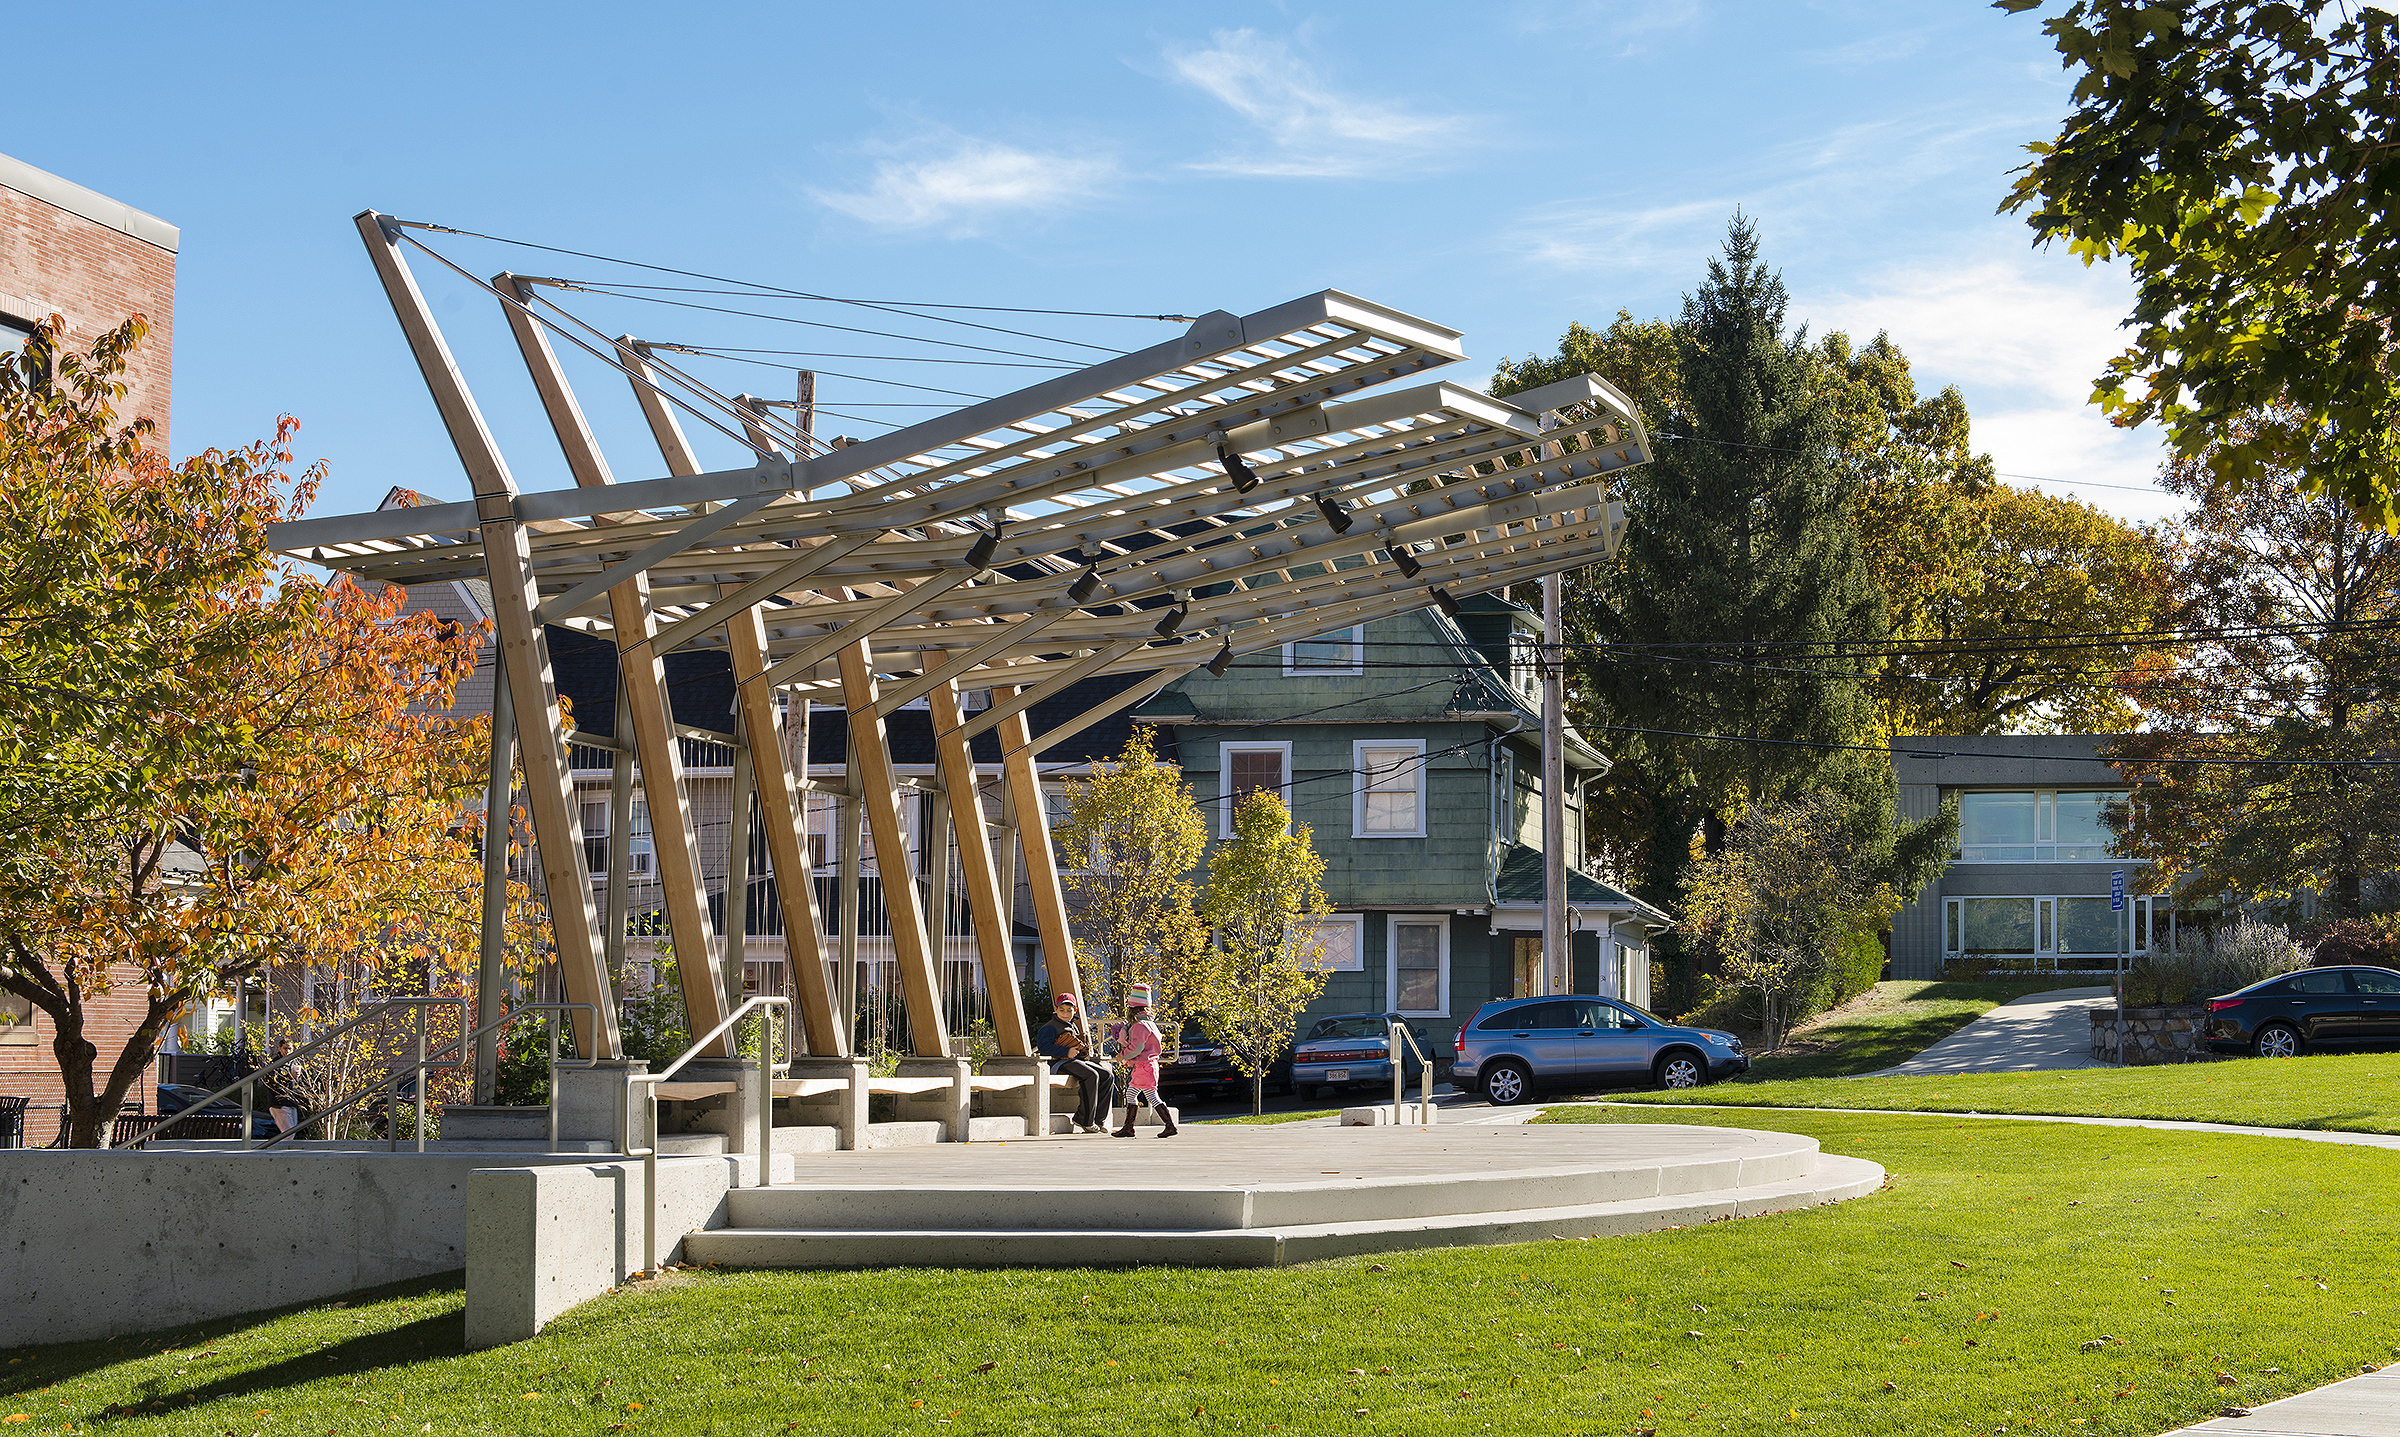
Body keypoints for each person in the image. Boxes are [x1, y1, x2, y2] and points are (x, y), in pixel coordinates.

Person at [1033, 993, 1113, 1135]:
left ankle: (1098, 1121)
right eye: (1061, 1009)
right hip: (1058, 1063)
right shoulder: (1050, 1027)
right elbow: (1043, 1047)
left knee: (1107, 1075)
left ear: (1075, 1010)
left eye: (1069, 1010)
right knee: (1091, 1075)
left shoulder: (1072, 1025)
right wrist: (1065, 1051)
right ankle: (1085, 1120)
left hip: (1074, 1061)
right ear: (1055, 1009)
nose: (1065, 1013)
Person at [1111, 985, 1177, 1139]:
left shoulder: (1139, 1026)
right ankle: (1129, 1127)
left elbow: (1137, 1047)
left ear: (1131, 1009)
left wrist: (1124, 1055)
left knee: (1151, 1097)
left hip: (1144, 1067)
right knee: (1132, 1093)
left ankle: (1169, 1125)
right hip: (1148, 1065)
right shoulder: (1150, 1024)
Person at [259, 1038, 302, 1137]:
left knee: (291, 1133)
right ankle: (283, 1152)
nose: (287, 1051)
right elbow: (274, 1083)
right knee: (288, 1133)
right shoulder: (275, 1064)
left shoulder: (293, 1062)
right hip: (279, 1103)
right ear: (279, 1049)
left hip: (292, 1102)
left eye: (290, 1048)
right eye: (285, 1048)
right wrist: (289, 1077)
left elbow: (299, 1084)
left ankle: (284, 1151)